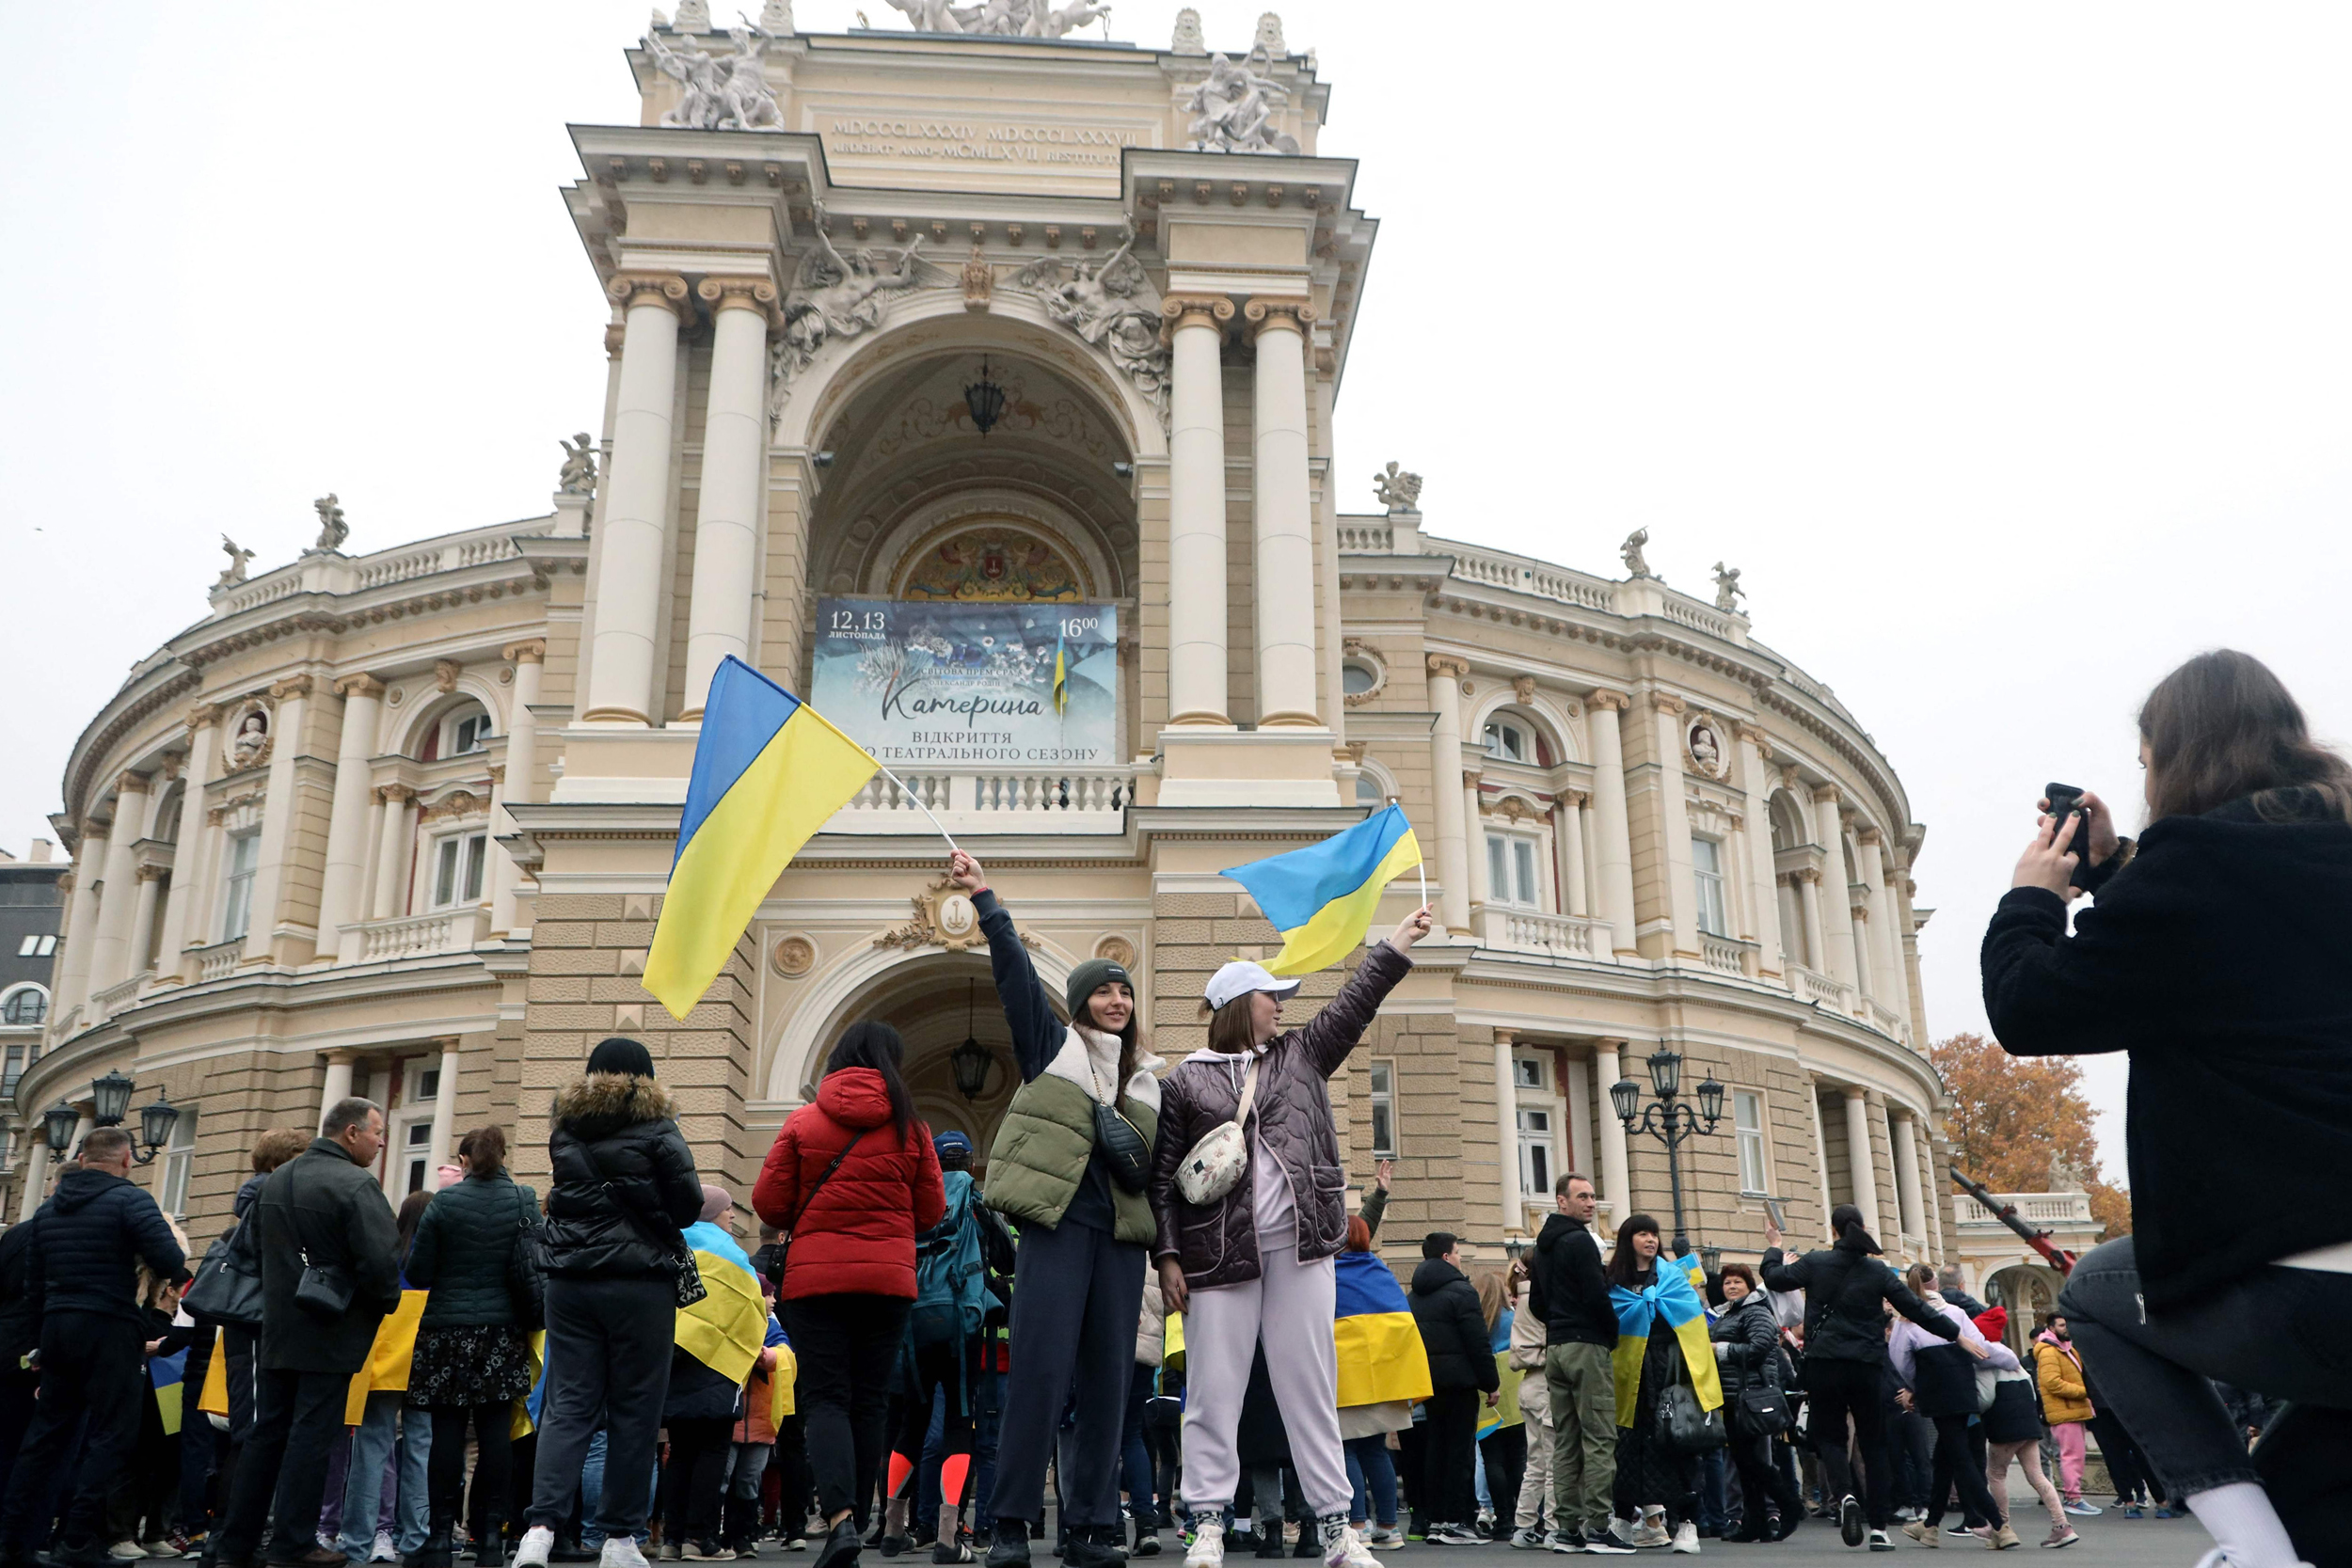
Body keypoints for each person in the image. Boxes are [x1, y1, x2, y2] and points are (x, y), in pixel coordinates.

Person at [1981, 649, 2352, 1568]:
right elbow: (2249, 950)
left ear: (2172, 758)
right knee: (2314, 1486)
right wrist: (2119, 871)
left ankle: (2255, 1552)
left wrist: (2036, 895)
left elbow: (2032, 1007)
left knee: (2096, 1292)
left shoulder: (2192, 867)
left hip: (2308, 1276)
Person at [1152, 904, 1430, 1568]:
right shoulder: (1185, 1079)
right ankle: (1210, 1523)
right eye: (1268, 997)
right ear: (1236, 1004)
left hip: (1303, 1249)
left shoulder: (1300, 1055)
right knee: (1214, 1390)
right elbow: (1162, 1179)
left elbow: (1355, 1004)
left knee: (1309, 1384)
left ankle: (1337, 1529)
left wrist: (1395, 943)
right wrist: (1165, 1255)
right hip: (1218, 1257)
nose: (1279, 1006)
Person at [943, 852, 1162, 1568]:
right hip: (1056, 1230)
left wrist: (1171, 1258)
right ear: (1081, 1001)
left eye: (1125, 991)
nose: (1118, 1000)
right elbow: (1012, 979)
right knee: (1037, 1373)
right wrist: (986, 901)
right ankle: (1007, 1524)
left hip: (1122, 1244)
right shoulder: (1053, 1050)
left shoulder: (1150, 1082)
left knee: (1108, 1383)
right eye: (1105, 991)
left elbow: (1156, 1181)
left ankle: (1092, 1526)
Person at [753, 1022, 946, 1568]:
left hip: (816, 1284)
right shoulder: (912, 1128)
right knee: (870, 1402)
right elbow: (931, 1212)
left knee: (826, 1400)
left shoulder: (804, 1121)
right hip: (887, 1283)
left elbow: (769, 1204)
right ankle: (856, 1523)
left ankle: (836, 1521)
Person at [515, 1038, 705, 1568]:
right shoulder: (660, 1128)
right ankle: (620, 1539)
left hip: (571, 1281)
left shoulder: (565, 1129)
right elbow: (689, 1206)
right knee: (635, 1410)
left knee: (568, 1405)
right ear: (646, 1077)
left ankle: (540, 1529)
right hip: (640, 1281)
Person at [214, 1101, 403, 1568]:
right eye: (378, 1133)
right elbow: (382, 1265)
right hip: (331, 1328)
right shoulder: (357, 1185)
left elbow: (253, 1250)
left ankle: (234, 1544)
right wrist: (383, 1303)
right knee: (312, 1437)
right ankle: (293, 1543)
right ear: (352, 1132)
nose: (382, 1143)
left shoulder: (277, 1180)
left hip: (277, 1326)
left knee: (266, 1434)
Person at [0, 1127, 190, 1568]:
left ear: (83, 1159)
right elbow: (171, 1262)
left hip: (57, 1330)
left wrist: (39, 1345)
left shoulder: (47, 1214)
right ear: (126, 1161)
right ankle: (78, 1538)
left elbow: (33, 1287)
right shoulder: (131, 1200)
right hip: (110, 1327)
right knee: (111, 1435)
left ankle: (13, 1541)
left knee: (45, 1437)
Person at [1758, 1207, 1958, 1553]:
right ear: (1861, 1229)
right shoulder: (1877, 1270)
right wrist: (1956, 1333)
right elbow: (1915, 1308)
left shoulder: (1816, 1262)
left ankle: (1845, 1495)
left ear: (1833, 1230)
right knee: (1874, 1444)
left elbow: (1774, 1277)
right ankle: (1879, 1528)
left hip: (1824, 1364)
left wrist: (1775, 1245)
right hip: (1867, 1365)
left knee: (1830, 1437)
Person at [404, 1126, 539, 1568]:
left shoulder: (444, 1202)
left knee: (446, 1432)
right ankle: (490, 1541)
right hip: (502, 1330)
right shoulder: (523, 1199)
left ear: (464, 1160)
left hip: (446, 1329)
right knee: (496, 1434)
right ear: (504, 1155)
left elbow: (419, 1272)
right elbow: (538, 1263)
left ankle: (440, 1538)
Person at [882, 1130, 1008, 1566]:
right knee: (958, 1422)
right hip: (961, 1326)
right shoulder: (978, 1203)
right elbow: (1008, 1259)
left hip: (915, 1324)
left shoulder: (915, 1203)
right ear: (971, 1164)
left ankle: (893, 1529)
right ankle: (948, 1538)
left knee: (911, 1425)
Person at [1600, 1216, 1715, 1556]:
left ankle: (1687, 1525)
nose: (1651, 1240)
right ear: (1627, 1239)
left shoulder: (1672, 1278)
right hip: (1626, 1377)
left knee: (1680, 1443)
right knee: (1626, 1447)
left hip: (1670, 1373)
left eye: (1654, 1234)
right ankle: (1622, 1519)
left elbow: (1694, 1322)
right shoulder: (1612, 1283)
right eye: (1642, 1233)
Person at [1525, 1173, 1626, 1555]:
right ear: (1561, 1201)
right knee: (1600, 1436)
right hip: (1587, 1345)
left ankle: (1567, 1528)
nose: (1590, 1202)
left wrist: (1558, 1321)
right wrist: (1610, 1332)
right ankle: (1599, 1526)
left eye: (1593, 1196)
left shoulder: (1543, 1245)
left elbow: (1535, 1304)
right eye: (1582, 1196)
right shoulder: (1581, 1242)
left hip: (1557, 1349)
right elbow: (1596, 1296)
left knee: (1565, 1441)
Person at [1883, 1265, 2011, 1550]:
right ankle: (1929, 1526)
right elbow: (1978, 1346)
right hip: (1964, 1389)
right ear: (1937, 1284)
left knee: (1959, 1458)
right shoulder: (1956, 1312)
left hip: (1935, 1392)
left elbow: (1901, 1362)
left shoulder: (1907, 1321)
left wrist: (1915, 1388)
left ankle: (1999, 1525)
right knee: (1945, 1457)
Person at [1334, 1217, 1421, 1555]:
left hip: (1345, 1379)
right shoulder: (1381, 1273)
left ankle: (1358, 1525)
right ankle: (1388, 1526)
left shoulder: (1329, 1276)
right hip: (1384, 1379)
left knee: (1346, 1450)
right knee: (1375, 1449)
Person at [1405, 1234, 1497, 1546]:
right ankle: (1458, 1521)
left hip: (1429, 1384)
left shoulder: (1413, 1296)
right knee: (1459, 1452)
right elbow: (1477, 1341)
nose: (1460, 1259)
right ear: (1446, 1257)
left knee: (1435, 1451)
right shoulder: (1462, 1291)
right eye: (1458, 1253)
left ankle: (1437, 1520)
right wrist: (1491, 1383)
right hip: (1460, 1383)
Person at [1708, 1265, 1798, 1544]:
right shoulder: (1731, 1313)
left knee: (1752, 1460)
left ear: (1749, 1286)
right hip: (1733, 1395)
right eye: (1727, 1283)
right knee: (1744, 1462)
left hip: (1751, 1396)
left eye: (1737, 1282)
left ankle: (1789, 1506)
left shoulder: (1756, 1311)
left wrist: (1719, 1350)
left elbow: (1760, 1347)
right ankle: (1755, 1522)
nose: (1731, 1286)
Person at [1473, 1274, 1526, 1544]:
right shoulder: (1512, 1318)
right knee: (1517, 1457)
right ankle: (1520, 1517)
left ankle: (1502, 1519)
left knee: (1492, 1458)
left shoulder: (1477, 1322)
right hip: (1515, 1387)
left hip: (1486, 1391)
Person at [2028, 1317, 2097, 1518]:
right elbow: (2051, 1382)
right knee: (2071, 1457)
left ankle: (2074, 1496)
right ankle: (2073, 1498)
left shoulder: (2065, 1348)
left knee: (2075, 1456)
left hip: (2073, 1409)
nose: (2066, 1329)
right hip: (2064, 1411)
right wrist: (2084, 1391)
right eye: (2061, 1325)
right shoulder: (2050, 1351)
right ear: (2050, 1328)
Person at [1126, 1257, 1168, 1560]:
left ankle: (1112, 1530)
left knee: (1103, 1436)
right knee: (1132, 1437)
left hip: (1111, 1344)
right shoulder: (1154, 1251)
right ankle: (1147, 1527)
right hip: (1146, 1350)